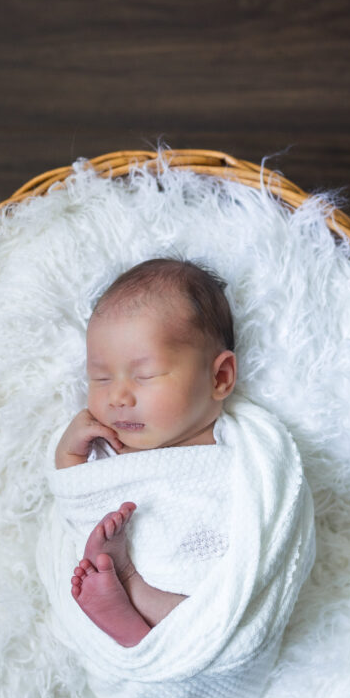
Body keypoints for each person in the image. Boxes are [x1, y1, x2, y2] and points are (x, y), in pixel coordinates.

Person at [53, 257, 237, 648]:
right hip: (128, 594)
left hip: (206, 607)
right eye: (100, 378)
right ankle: (127, 613)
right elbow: (79, 506)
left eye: (145, 375)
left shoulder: (251, 451)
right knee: (95, 571)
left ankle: (130, 594)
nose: (117, 397)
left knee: (210, 621)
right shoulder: (110, 449)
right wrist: (68, 456)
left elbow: (274, 518)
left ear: (219, 377)